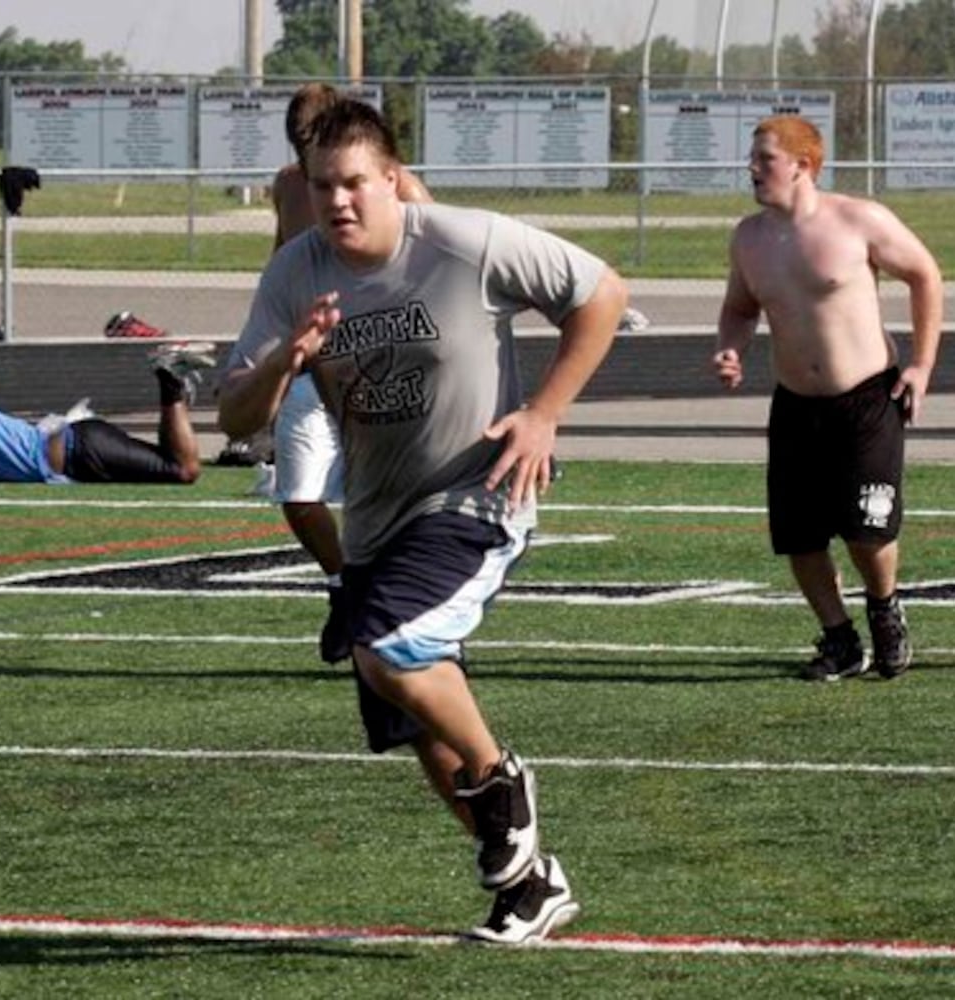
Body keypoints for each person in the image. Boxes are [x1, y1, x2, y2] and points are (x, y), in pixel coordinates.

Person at [218, 98, 627, 944]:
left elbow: (600, 292)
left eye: (355, 184)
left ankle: (502, 780)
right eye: (323, 185)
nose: (338, 202)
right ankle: (531, 884)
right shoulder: (295, 271)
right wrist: (286, 360)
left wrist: (545, 411)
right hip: (373, 515)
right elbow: (231, 415)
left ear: (393, 178)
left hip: (475, 494)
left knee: (393, 648)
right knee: (410, 713)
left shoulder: (461, 241)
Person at [714, 115, 942, 682]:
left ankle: (885, 609)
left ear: (802, 165)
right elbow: (741, 308)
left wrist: (921, 365)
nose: (753, 168)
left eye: (765, 159)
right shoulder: (750, 237)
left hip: (867, 398)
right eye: (753, 158)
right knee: (800, 537)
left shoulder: (858, 219)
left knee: (868, 530)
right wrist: (730, 347)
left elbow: (924, 274)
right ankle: (840, 639)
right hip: (795, 404)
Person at [270, 82, 433, 664]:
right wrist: (276, 346)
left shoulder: (400, 187)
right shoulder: (288, 186)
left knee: (395, 495)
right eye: (301, 150)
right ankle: (344, 583)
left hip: (382, 358)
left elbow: (442, 265)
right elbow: (281, 258)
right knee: (295, 493)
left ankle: (409, 609)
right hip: (315, 361)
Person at [0, 342, 214, 485]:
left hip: (81, 448)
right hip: (79, 458)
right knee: (173, 462)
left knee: (183, 470)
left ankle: (169, 379)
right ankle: (170, 379)